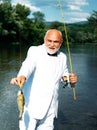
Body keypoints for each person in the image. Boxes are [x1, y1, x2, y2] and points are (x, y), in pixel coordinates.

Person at [10, 29, 77, 130]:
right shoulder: (34, 50)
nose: (51, 44)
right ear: (44, 39)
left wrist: (70, 80)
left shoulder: (63, 57)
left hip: (51, 107)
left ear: (61, 42)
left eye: (55, 42)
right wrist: (22, 76)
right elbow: (28, 65)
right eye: (49, 41)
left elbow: (63, 76)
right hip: (32, 105)